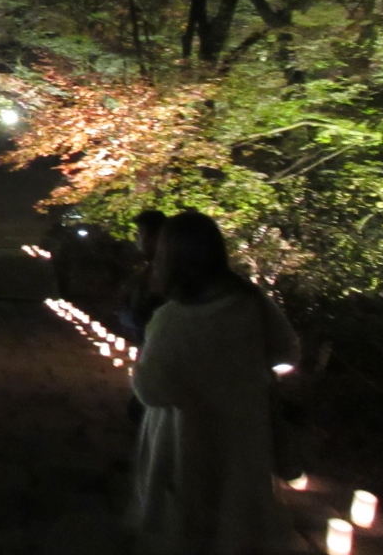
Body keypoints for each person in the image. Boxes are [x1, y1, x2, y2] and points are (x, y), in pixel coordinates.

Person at [128, 212, 301, 555]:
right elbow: (287, 351)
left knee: (188, 520)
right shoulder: (251, 302)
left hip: (186, 438)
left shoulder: (172, 319)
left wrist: (138, 370)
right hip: (245, 432)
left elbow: (153, 390)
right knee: (237, 518)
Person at [119, 209, 167, 344]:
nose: (137, 239)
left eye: (140, 234)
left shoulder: (164, 273)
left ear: (154, 238)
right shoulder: (151, 269)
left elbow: (142, 317)